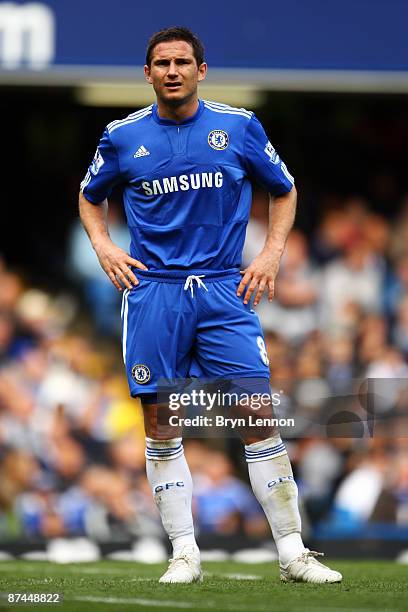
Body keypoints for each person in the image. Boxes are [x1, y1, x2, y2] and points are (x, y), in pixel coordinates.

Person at [78, 26, 342, 584]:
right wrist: (103, 245)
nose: (171, 70)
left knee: (255, 414)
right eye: (161, 63)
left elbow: (285, 188)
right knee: (161, 421)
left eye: (181, 62)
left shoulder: (239, 126)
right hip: (154, 291)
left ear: (201, 70)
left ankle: (294, 553)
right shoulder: (121, 136)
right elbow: (90, 195)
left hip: (226, 288)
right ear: (146, 74)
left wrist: (271, 254)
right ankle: (184, 554)